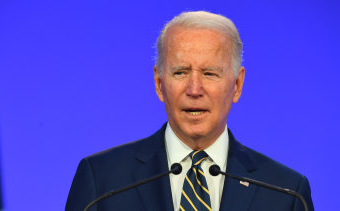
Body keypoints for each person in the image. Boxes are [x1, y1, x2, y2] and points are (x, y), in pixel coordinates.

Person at [66, 11, 314, 211]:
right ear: (159, 84)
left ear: (237, 85)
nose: (194, 89)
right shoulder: (102, 180)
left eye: (209, 73)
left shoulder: (285, 192)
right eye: (180, 72)